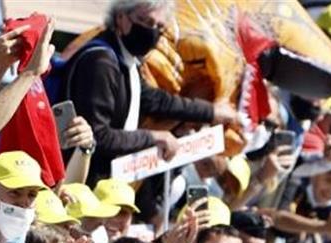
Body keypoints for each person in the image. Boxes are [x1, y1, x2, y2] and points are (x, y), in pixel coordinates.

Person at [65, 0, 243, 184]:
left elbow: (153, 99)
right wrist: (154, 137)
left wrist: (211, 112)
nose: (153, 32)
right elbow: (98, 136)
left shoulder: (127, 60)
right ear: (121, 18)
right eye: (147, 22)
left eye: (160, 26)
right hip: (76, 183)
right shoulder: (101, 63)